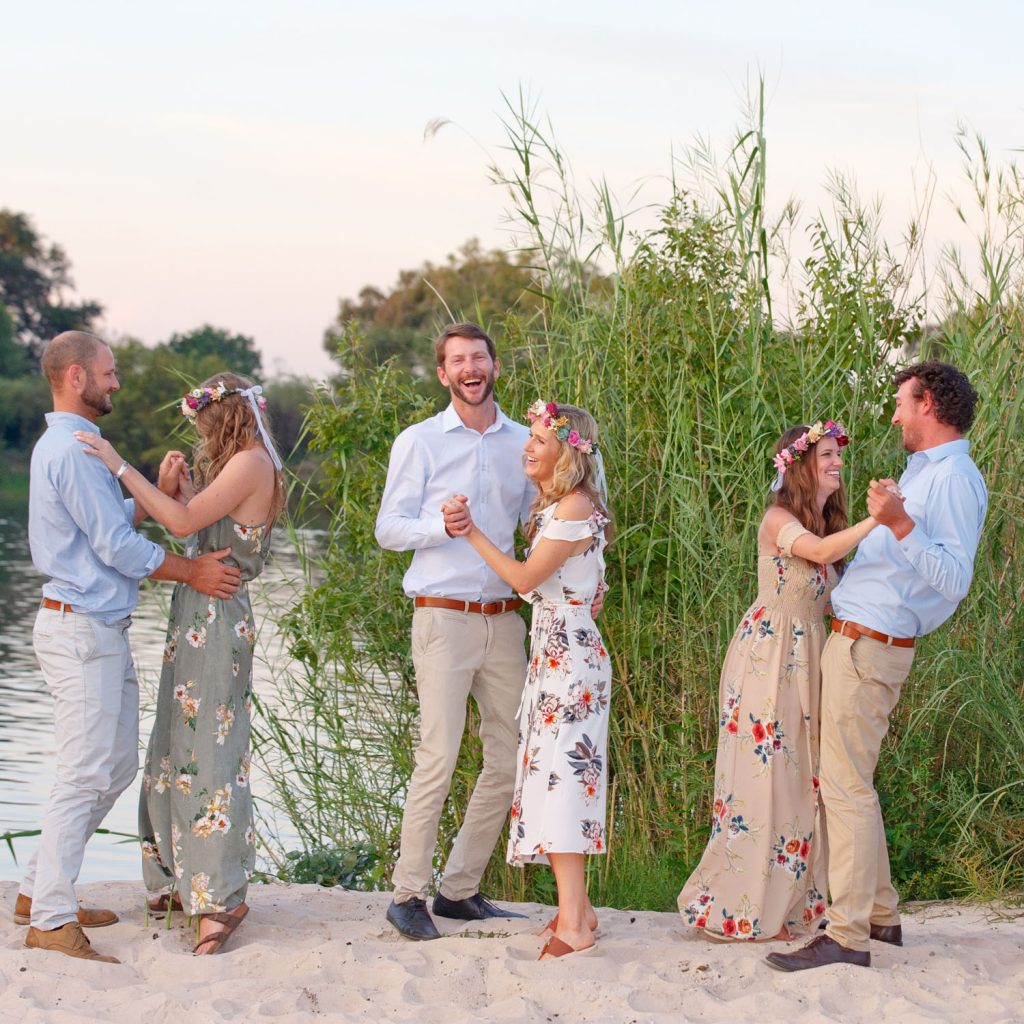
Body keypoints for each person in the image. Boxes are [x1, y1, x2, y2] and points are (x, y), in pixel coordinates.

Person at [17, 332, 241, 965]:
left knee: (112, 767)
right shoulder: (74, 449)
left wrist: (149, 496)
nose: (116, 382)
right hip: (80, 629)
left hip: (95, 628)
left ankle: (37, 889)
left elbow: (104, 527)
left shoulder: (74, 445)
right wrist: (192, 572)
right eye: (108, 372)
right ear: (76, 377)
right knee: (85, 770)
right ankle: (52, 919)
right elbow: (116, 550)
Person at [767, 361, 987, 972]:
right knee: (851, 782)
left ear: (929, 405)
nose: (894, 416)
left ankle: (848, 934)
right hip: (860, 640)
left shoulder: (955, 478)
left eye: (901, 404)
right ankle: (882, 915)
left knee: (845, 789)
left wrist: (900, 522)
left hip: (871, 645)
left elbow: (954, 578)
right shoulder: (926, 472)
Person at [74, 371, 285, 955]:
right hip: (195, 611)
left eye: (203, 423)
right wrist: (185, 490)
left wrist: (119, 465)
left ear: (223, 416)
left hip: (217, 613)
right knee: (174, 744)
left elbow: (183, 525)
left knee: (211, 749)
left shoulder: (251, 461)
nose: (201, 434)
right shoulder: (235, 465)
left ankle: (221, 898)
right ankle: (177, 879)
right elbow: (200, 523)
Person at [678, 420, 879, 942]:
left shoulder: (827, 522)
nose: (837, 463)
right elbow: (821, 554)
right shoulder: (778, 519)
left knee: (803, 781)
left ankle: (791, 906)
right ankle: (747, 905)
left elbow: (834, 584)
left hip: (811, 656)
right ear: (800, 464)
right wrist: (878, 520)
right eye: (826, 454)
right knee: (767, 779)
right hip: (771, 657)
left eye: (837, 454)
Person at [375, 322, 543, 941]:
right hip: (442, 617)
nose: (470, 369)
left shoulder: (525, 442)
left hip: (505, 620)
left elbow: (537, 522)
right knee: (438, 757)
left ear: (494, 366)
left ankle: (459, 890)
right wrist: (437, 527)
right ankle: (407, 896)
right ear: (443, 374)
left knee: (511, 757)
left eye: (479, 358)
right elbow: (388, 528)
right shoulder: (418, 441)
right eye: (458, 361)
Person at [444, 400, 611, 959]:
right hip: (556, 654)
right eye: (531, 437)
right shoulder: (561, 506)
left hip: (570, 663)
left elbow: (523, 579)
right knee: (554, 778)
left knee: (565, 783)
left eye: (541, 439)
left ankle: (576, 927)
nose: (529, 446)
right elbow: (583, 580)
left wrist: (470, 533)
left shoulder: (575, 505)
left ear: (568, 449)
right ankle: (578, 910)